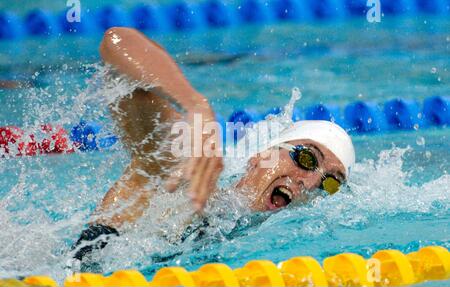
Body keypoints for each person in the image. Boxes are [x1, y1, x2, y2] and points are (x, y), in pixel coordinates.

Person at [73, 27, 355, 262]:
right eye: (306, 158)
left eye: (330, 184)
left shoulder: (261, 247)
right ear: (261, 155)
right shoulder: (185, 172)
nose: (311, 182)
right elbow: (117, 43)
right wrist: (196, 104)